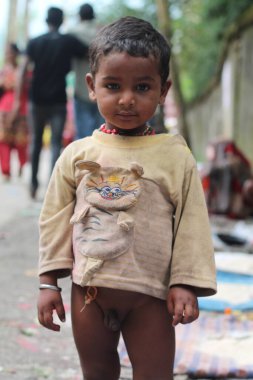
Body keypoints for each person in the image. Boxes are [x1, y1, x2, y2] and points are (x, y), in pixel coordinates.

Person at [37, 17, 217, 380]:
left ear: (163, 91)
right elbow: (55, 218)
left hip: (149, 299)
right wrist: (48, 282)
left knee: (154, 373)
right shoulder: (77, 154)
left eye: (143, 87)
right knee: (97, 372)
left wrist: (184, 282)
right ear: (92, 86)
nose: (126, 99)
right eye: (113, 85)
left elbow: (191, 223)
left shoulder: (174, 155)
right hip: (89, 294)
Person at [15, 7, 88, 198]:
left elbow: (23, 70)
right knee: (56, 143)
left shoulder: (35, 42)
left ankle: (33, 184)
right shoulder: (68, 41)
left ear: (47, 21)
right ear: (62, 21)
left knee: (36, 142)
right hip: (58, 100)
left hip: (36, 99)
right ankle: (51, 186)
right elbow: (90, 51)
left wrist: (17, 98)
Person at [69, 3, 103, 139]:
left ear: (79, 16)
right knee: (102, 131)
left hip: (81, 87)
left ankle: (85, 159)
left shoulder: (72, 33)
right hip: (103, 87)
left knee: (83, 133)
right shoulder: (103, 32)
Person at [0, 43, 29, 180]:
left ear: (16, 54)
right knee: (3, 140)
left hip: (21, 108)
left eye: (10, 52)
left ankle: (22, 164)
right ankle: (6, 170)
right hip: (4, 107)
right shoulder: (3, 71)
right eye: (6, 52)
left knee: (20, 140)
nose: (8, 55)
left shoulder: (23, 70)